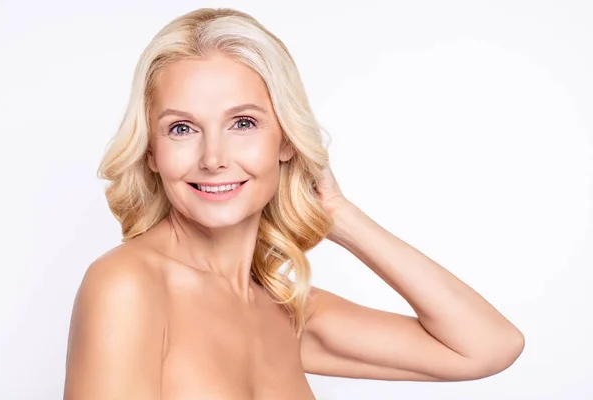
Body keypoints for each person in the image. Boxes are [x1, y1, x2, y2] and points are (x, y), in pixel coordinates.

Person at [63, 7, 525, 400]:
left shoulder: (288, 311)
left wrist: (340, 216)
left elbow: (488, 346)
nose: (213, 158)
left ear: (285, 139)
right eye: (182, 128)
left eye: (242, 123)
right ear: (151, 151)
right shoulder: (128, 286)